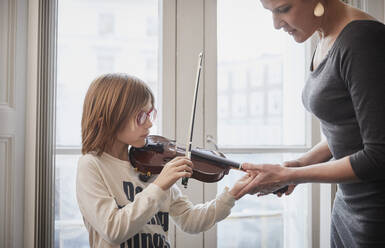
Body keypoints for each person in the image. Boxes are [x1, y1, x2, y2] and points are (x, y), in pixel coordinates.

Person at [236, 0, 385, 247]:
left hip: (374, 216)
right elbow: (350, 129)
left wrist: (292, 174)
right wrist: (298, 164)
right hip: (347, 207)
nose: (276, 24)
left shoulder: (363, 41)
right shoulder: (325, 35)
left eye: (283, 9)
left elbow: (379, 155)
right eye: (270, 12)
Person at [76, 73, 252, 248]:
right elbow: (113, 230)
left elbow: (190, 221)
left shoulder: (149, 163)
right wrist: (159, 186)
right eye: (140, 117)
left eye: (150, 114)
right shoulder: (92, 165)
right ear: (107, 120)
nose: (149, 124)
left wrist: (233, 194)